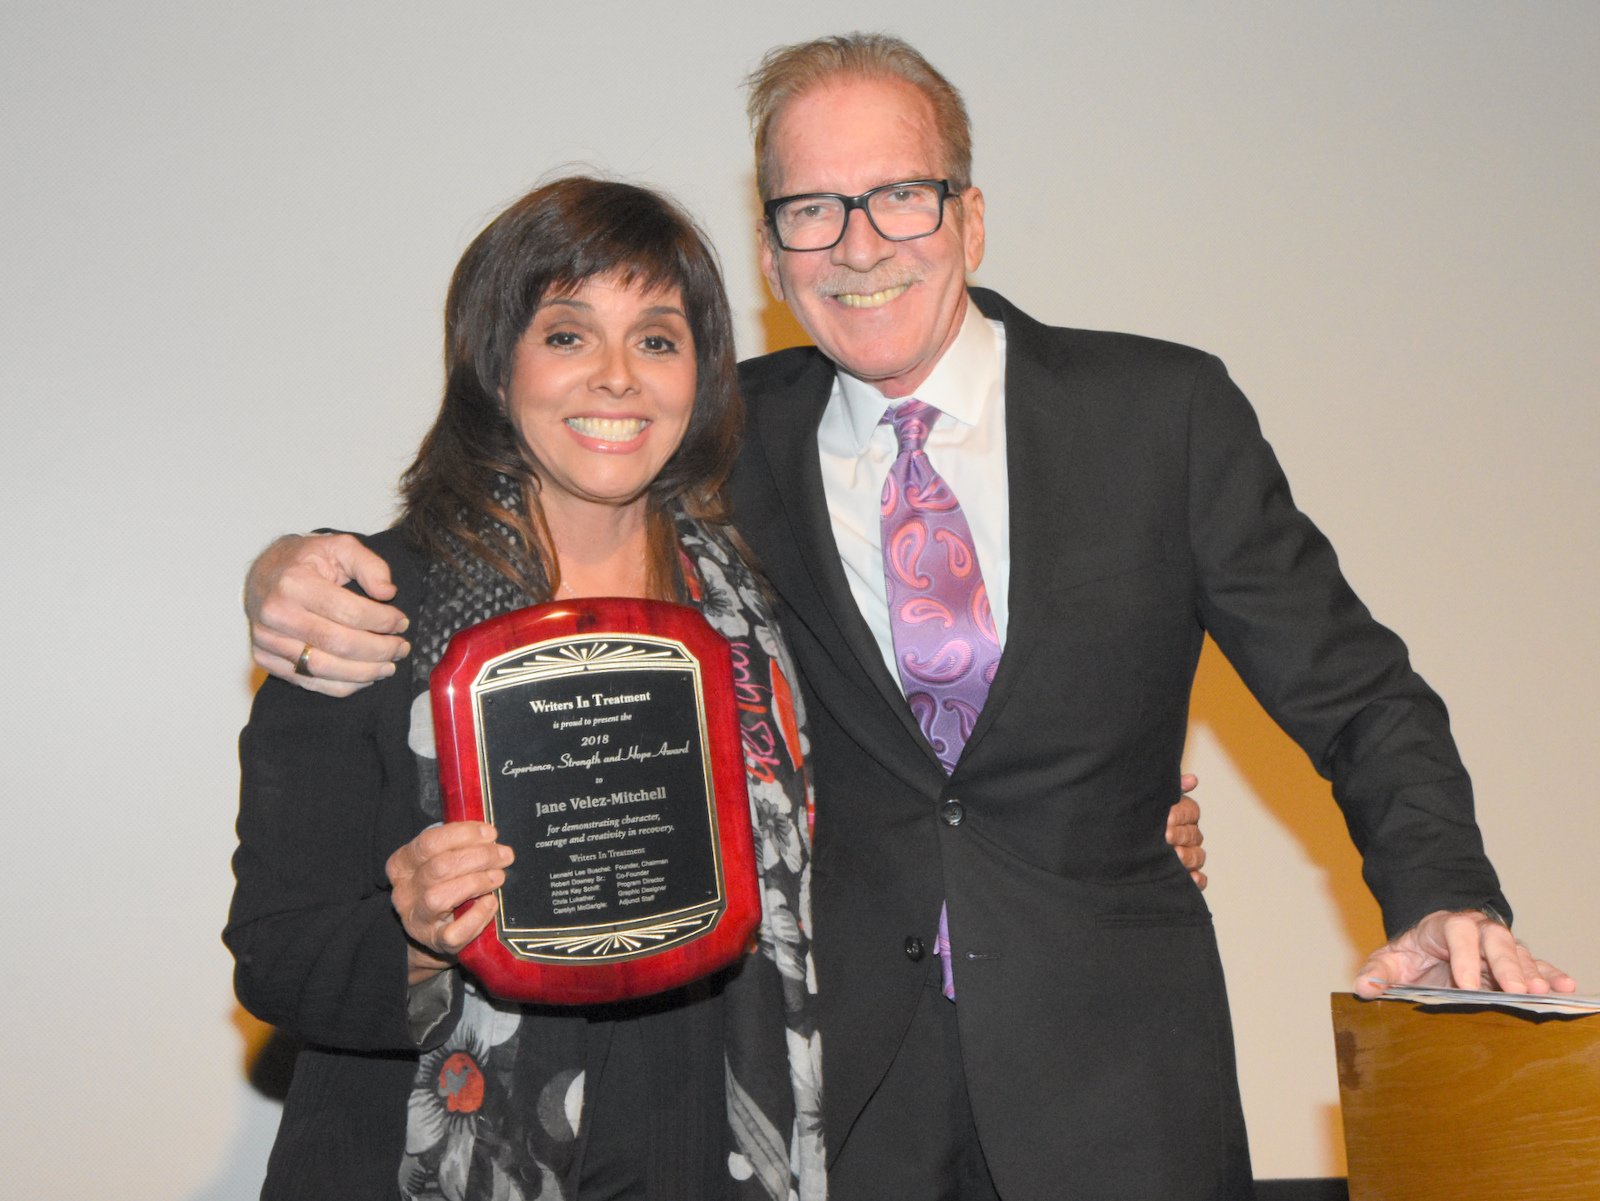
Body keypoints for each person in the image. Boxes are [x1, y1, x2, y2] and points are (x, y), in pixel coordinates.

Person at [241, 34, 1574, 1201]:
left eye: (901, 195)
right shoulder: (714, 436)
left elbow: (1356, 690)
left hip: (1119, 1085)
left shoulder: (1159, 415)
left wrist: (1444, 886)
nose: (861, 243)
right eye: (813, 209)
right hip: (829, 1108)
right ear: (769, 248)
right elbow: (517, 516)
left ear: (972, 215)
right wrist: (287, 571)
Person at [226, 177, 827, 1201]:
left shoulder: (764, 598)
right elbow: (277, 957)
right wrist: (412, 935)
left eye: (656, 338)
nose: (616, 378)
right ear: (495, 366)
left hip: (713, 1145)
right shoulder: (369, 604)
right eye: (564, 335)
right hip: (423, 1153)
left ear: (701, 375)